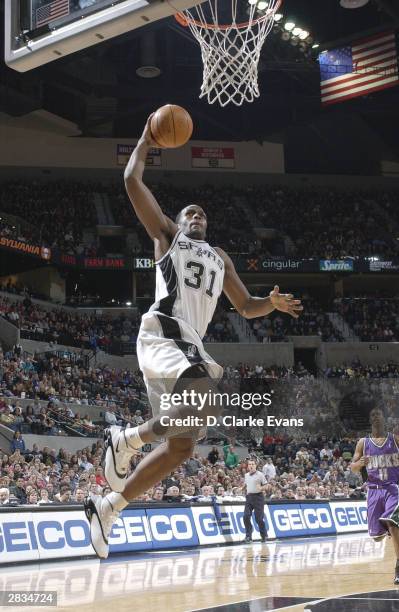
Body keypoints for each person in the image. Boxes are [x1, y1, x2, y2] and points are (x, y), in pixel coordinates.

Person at [84, 114, 302, 559]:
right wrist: (145, 138)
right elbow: (130, 181)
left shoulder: (220, 257)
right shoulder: (167, 238)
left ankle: (109, 506)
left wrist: (270, 303)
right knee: (206, 399)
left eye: (202, 213)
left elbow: (245, 307)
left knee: (184, 443)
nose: (197, 216)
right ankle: (123, 439)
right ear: (179, 223)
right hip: (164, 333)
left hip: (187, 346)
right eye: (190, 213)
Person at [351, 407, 399, 585]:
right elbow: (353, 468)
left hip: (392, 489)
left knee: (393, 523)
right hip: (373, 491)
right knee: (377, 536)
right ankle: (390, 531)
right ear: (370, 420)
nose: (377, 418)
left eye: (379, 415)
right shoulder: (363, 443)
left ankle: (398, 567)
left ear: (384, 419)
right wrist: (359, 463)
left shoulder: (394, 439)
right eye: (373, 415)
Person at [243, 459, 268, 543]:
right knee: (246, 516)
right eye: (249, 464)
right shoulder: (246, 475)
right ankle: (248, 536)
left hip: (258, 497)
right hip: (249, 497)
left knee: (259, 519)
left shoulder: (260, 475)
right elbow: (246, 484)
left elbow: (266, 485)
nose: (251, 465)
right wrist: (241, 488)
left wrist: (261, 488)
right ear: (248, 466)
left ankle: (264, 535)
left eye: (253, 464)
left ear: (255, 465)